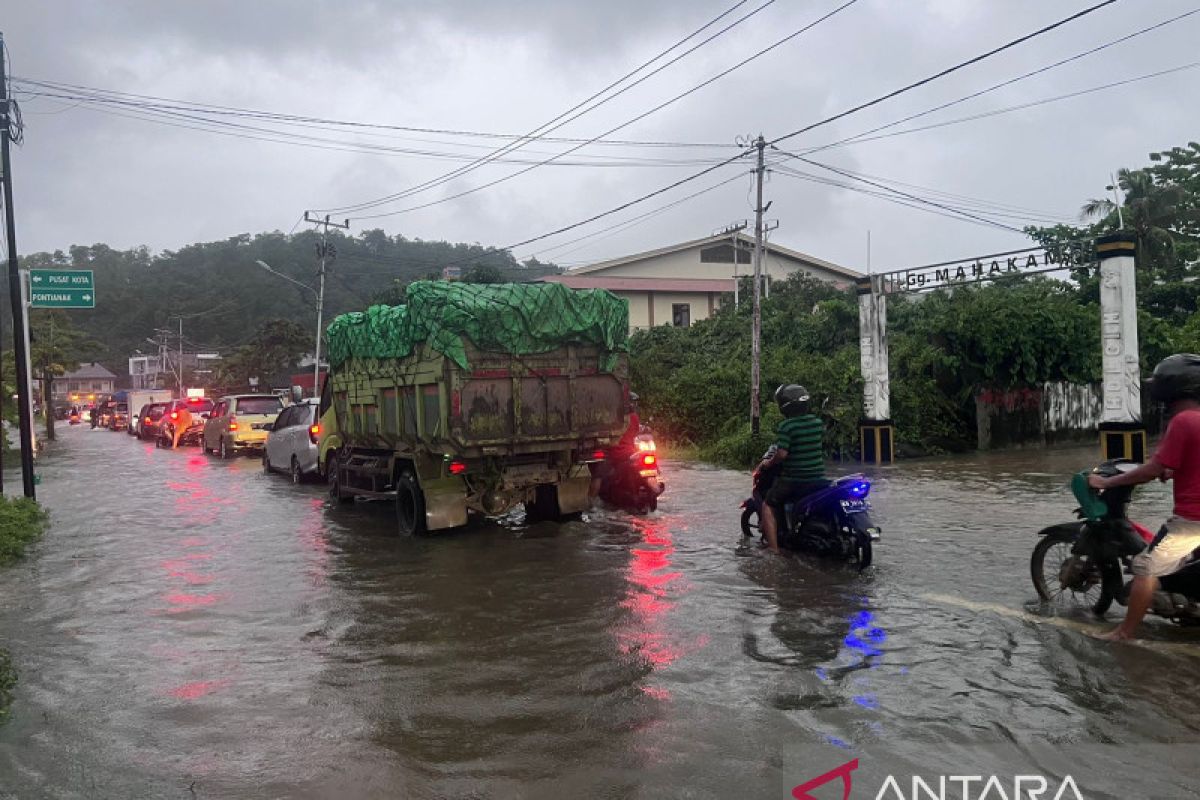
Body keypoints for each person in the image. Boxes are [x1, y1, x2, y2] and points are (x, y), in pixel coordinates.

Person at [1087, 353, 1200, 641]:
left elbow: (1151, 469)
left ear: (1171, 388)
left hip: (1192, 521)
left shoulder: (1183, 421)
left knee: (1145, 568)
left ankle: (1124, 633)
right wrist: (1174, 473)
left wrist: (1108, 482)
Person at [754, 384, 826, 554]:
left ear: (784, 406)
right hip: (819, 479)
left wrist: (768, 463)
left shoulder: (787, 427)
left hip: (795, 480)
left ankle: (773, 550)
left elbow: (781, 455)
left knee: (768, 504)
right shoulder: (817, 423)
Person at [589, 392, 642, 501]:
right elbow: (635, 433)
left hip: (611, 454)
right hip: (629, 454)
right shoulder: (634, 417)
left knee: (597, 476)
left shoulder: (610, 417)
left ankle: (591, 501)